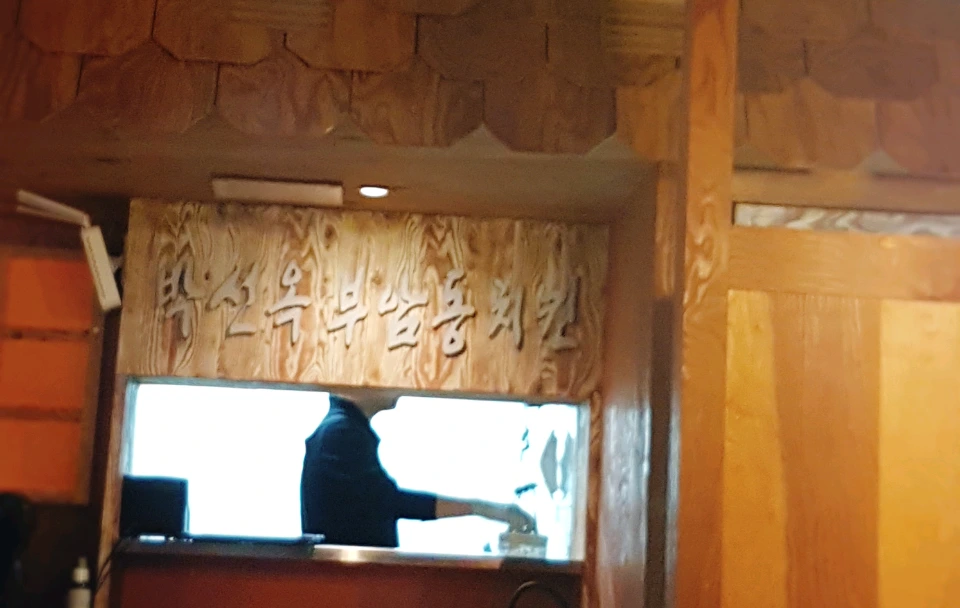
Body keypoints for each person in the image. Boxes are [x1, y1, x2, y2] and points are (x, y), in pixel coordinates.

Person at [300, 389, 535, 548]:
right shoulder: (340, 432)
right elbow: (390, 502)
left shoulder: (339, 429)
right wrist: (482, 509)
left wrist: (483, 509)